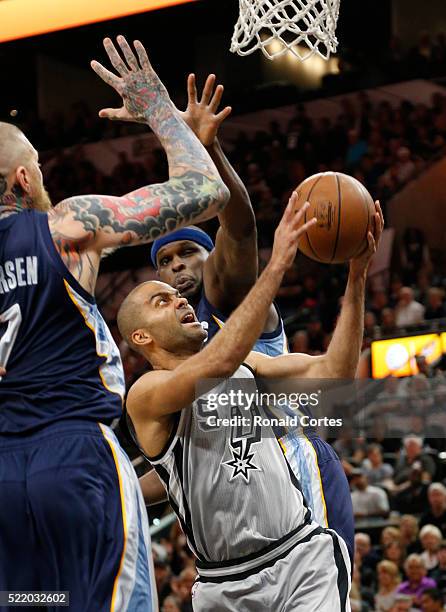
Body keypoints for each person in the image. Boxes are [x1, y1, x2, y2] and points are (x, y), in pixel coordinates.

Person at [0, 36, 229, 610]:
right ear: (23, 181)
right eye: (38, 166)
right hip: (75, 457)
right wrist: (157, 109)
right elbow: (206, 190)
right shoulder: (63, 226)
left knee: (34, 603)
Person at [143, 73, 379, 563]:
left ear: (211, 259)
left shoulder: (227, 297)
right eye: (164, 263)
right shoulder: (174, 361)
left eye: (188, 252)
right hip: (247, 503)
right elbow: (177, 470)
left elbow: (242, 225)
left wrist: (208, 153)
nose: (176, 266)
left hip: (297, 470)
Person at [118, 194, 383, 610]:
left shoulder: (246, 362)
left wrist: (357, 275)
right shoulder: (147, 394)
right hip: (223, 582)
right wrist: (276, 264)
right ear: (140, 337)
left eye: (177, 296)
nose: (180, 298)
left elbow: (335, 375)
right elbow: (217, 361)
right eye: (162, 300)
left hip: (301, 557)